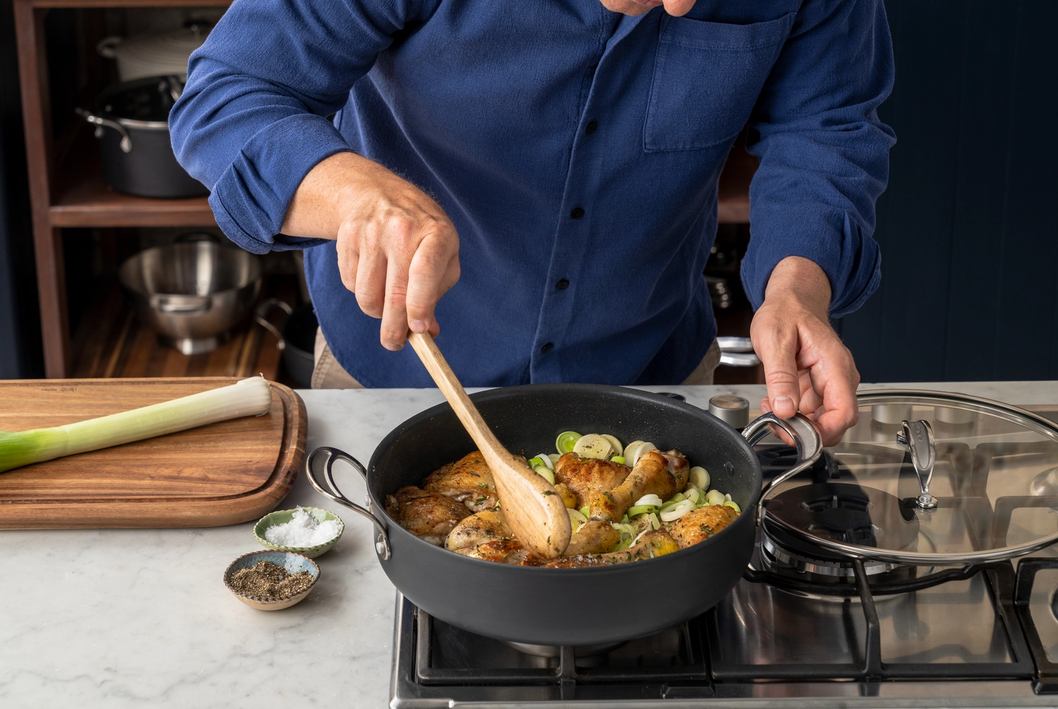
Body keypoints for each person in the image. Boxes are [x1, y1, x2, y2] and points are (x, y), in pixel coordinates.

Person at [168, 0, 894, 445]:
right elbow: (228, 96)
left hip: (653, 382)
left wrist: (798, 286)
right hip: (391, 389)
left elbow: (825, 125)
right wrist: (355, 194)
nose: (676, 5)